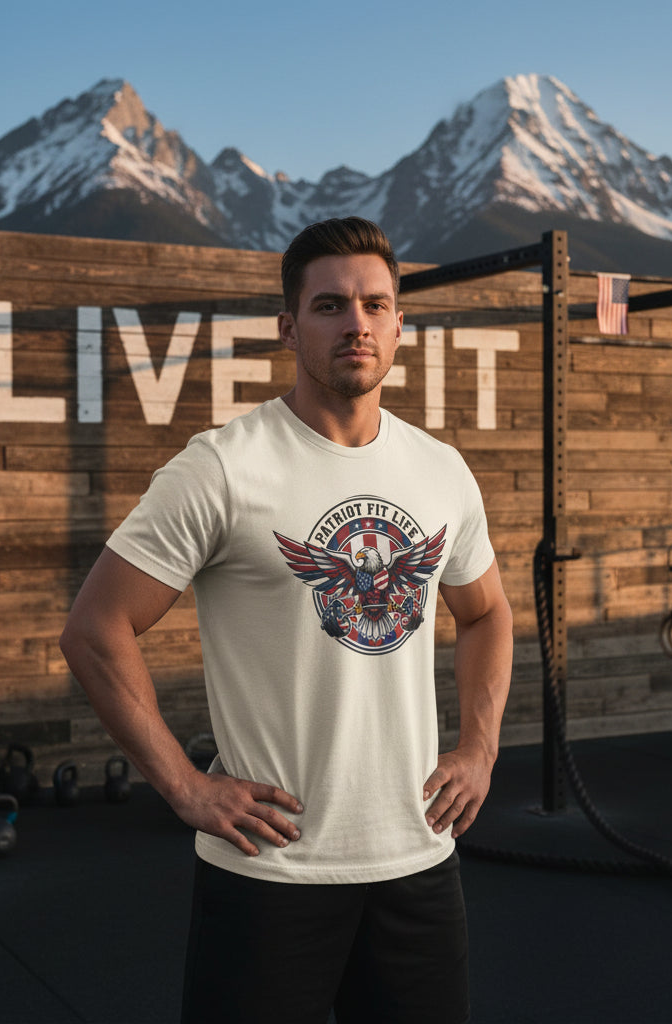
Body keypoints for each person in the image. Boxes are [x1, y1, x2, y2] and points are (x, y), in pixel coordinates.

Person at [59, 217, 513, 1023]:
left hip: (417, 863)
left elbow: (486, 614)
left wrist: (479, 749)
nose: (356, 324)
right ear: (289, 327)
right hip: (271, 872)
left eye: (375, 305)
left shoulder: (441, 470)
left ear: (399, 326)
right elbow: (96, 629)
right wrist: (186, 788)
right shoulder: (222, 467)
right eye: (330, 305)